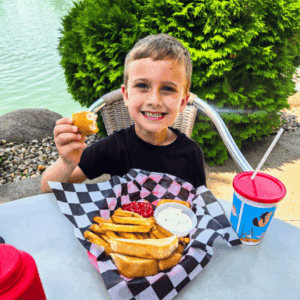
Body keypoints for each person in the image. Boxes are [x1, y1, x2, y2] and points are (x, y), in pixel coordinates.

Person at [41, 33, 207, 194]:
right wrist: (66, 163)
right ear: (126, 95)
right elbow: (47, 189)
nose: (154, 100)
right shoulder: (113, 147)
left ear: (183, 102)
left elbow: (200, 202)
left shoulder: (191, 153)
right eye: (142, 85)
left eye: (167, 88)